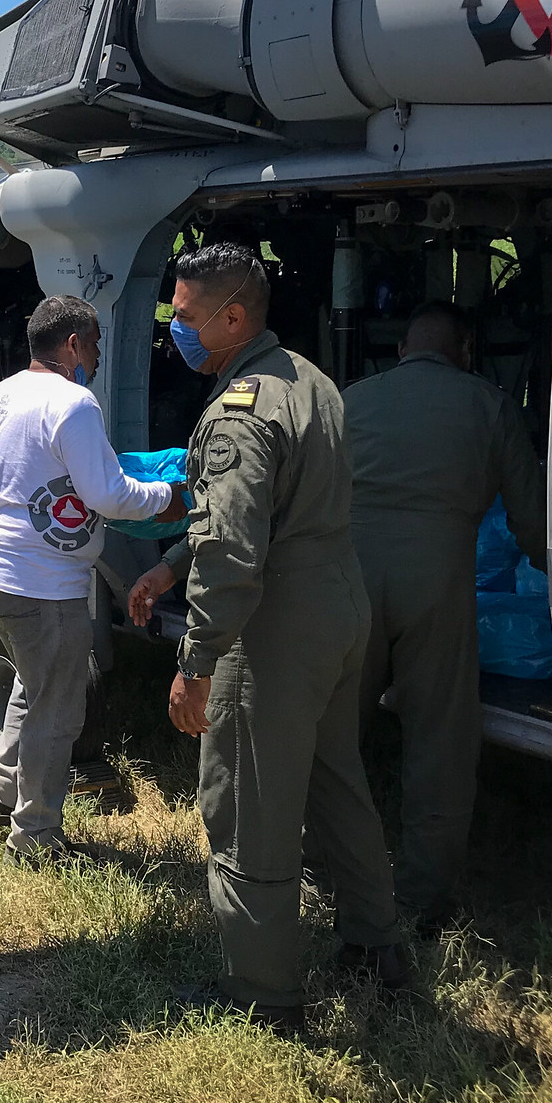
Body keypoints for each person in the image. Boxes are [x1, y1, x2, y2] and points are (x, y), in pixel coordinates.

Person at [126, 243, 404, 1032]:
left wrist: (199, 659)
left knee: (247, 802)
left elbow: (236, 548)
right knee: (333, 778)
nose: (173, 331)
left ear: (233, 317)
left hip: (272, 624)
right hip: (338, 607)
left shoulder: (237, 412)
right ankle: (376, 946)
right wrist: (169, 568)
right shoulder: (308, 381)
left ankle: (266, 992)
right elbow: (266, 516)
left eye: (182, 317)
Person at [342, 300, 546, 929]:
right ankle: (421, 899)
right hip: (437, 583)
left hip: (345, 579)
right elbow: (532, 526)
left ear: (403, 349)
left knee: (332, 734)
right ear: (464, 351)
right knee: (439, 744)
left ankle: (325, 868)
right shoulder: (489, 404)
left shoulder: (351, 397)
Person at [0, 295, 185, 863]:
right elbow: (108, 495)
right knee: (58, 709)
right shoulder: (75, 402)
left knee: (32, 686)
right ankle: (34, 836)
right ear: (72, 344)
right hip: (43, 582)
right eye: (94, 343)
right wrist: (167, 498)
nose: (96, 354)